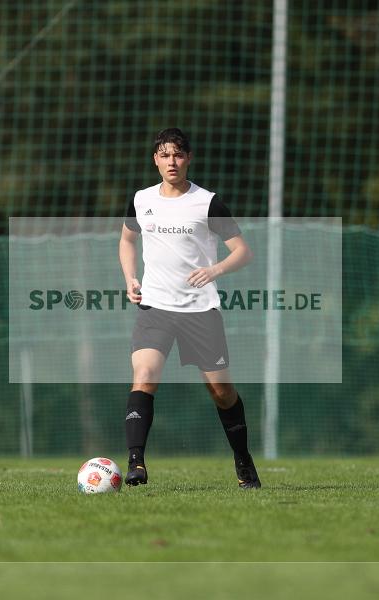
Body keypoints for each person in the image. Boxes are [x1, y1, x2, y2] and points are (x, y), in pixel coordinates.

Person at [119, 127, 261, 489]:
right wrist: (130, 278)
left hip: (200, 309)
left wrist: (215, 270)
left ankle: (243, 460)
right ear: (155, 159)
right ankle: (136, 463)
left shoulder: (207, 202)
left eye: (178, 155)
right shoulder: (141, 200)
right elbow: (126, 240)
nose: (172, 161)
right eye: (165, 155)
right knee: (145, 375)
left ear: (189, 158)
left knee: (221, 392)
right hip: (155, 307)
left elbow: (244, 252)